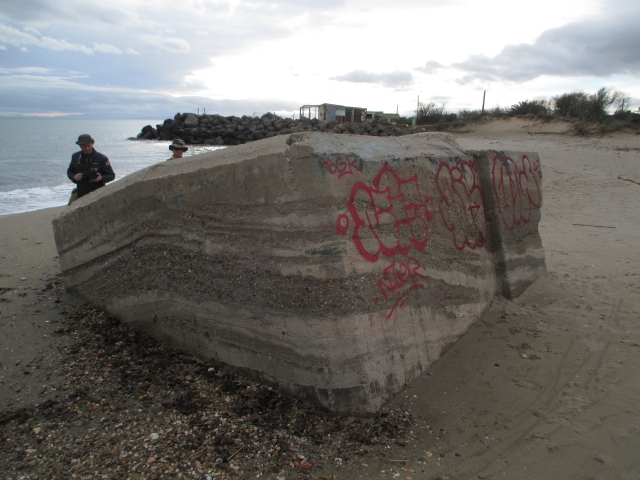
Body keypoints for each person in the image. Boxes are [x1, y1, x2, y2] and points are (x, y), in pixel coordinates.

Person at [67, 134, 115, 204]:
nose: (86, 148)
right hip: (81, 194)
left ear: (92, 144)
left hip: (98, 194)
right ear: (80, 146)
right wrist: (74, 177)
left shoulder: (102, 158)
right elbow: (69, 171)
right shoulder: (76, 157)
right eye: (83, 146)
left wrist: (101, 178)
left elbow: (112, 175)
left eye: (88, 145)